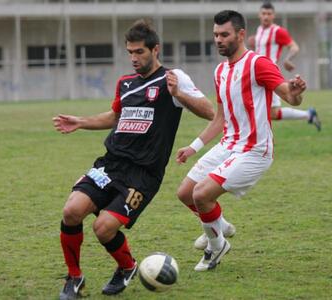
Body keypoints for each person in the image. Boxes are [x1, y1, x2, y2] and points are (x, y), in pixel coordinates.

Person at [53, 20, 214, 299]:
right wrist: (80, 121)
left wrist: (179, 94)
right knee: (71, 211)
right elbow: (115, 117)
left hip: (142, 174)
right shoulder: (125, 83)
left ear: (155, 49)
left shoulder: (173, 78)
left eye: (139, 52)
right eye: (130, 52)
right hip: (110, 164)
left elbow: (210, 111)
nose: (134, 58)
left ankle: (127, 267)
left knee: (103, 228)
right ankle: (74, 278)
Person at [176, 10, 307, 271]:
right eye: (215, 35)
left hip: (255, 150)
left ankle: (217, 246)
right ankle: (218, 225)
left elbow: (289, 97)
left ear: (241, 34)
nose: (219, 40)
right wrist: (193, 147)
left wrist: (296, 94)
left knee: (201, 195)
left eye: (224, 34)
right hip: (228, 145)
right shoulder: (220, 71)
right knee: (185, 193)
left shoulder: (258, 64)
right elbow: (220, 118)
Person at [249, 1, 321, 130]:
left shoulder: (278, 31)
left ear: (273, 16)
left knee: (265, 111)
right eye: (263, 13)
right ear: (259, 15)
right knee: (270, 112)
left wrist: (288, 59)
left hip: (269, 73)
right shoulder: (259, 30)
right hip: (257, 74)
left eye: (269, 14)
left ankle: (259, 142)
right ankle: (309, 114)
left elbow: (294, 47)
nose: (266, 16)